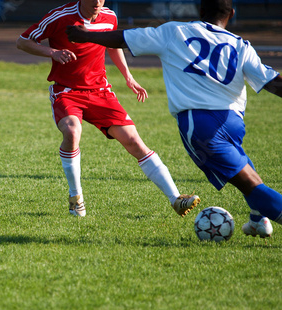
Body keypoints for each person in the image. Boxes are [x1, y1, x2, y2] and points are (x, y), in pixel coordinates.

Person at [67, 0, 282, 237]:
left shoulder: (175, 31)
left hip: (201, 125)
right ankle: (257, 220)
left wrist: (84, 35)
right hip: (233, 122)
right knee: (245, 168)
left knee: (249, 185)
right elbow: (273, 83)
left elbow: (122, 38)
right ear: (231, 14)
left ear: (200, 11)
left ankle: (264, 212)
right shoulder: (241, 45)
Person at [16, 0, 200, 218]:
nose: (97, 2)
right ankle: (76, 199)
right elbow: (22, 41)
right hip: (67, 91)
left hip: (100, 92)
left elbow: (113, 45)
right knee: (72, 131)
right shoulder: (60, 16)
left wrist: (128, 77)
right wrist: (52, 52)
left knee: (133, 141)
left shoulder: (109, 17)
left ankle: (176, 199)